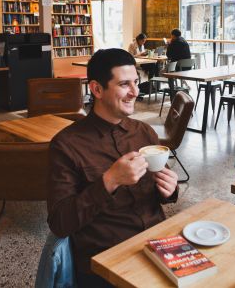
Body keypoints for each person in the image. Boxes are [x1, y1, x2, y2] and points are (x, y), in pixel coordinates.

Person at [47, 48, 178, 288]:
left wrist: (169, 189)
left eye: (136, 82)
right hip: (107, 260)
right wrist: (110, 181)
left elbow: (159, 185)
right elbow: (59, 222)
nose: (135, 92)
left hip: (158, 243)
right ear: (97, 89)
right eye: (124, 84)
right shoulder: (66, 145)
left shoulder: (144, 132)